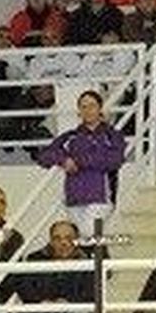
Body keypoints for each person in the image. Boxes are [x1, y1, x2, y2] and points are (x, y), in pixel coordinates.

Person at [35, 91, 125, 236]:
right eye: (83, 107)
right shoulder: (71, 136)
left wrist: (77, 160)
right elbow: (43, 156)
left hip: (101, 198)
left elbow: (114, 160)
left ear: (100, 109)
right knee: (83, 242)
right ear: (79, 112)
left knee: (88, 235)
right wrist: (63, 160)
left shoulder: (112, 135)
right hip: (74, 199)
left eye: (92, 106)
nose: (87, 110)